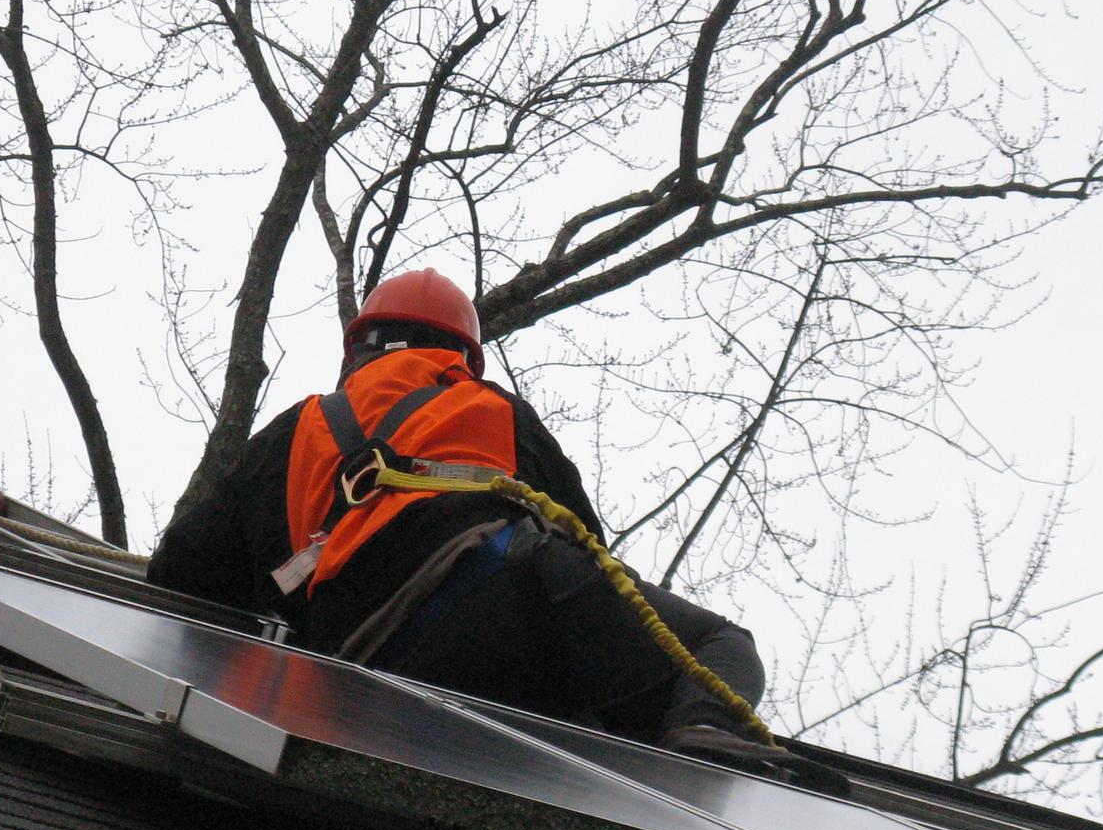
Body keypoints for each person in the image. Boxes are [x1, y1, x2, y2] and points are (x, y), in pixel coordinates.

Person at [147, 268, 772, 766]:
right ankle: (701, 753)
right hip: (503, 580)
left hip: (358, 669)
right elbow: (589, 549)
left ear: (358, 353)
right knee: (720, 647)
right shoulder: (491, 406)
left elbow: (182, 571)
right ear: (459, 354)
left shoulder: (296, 431)